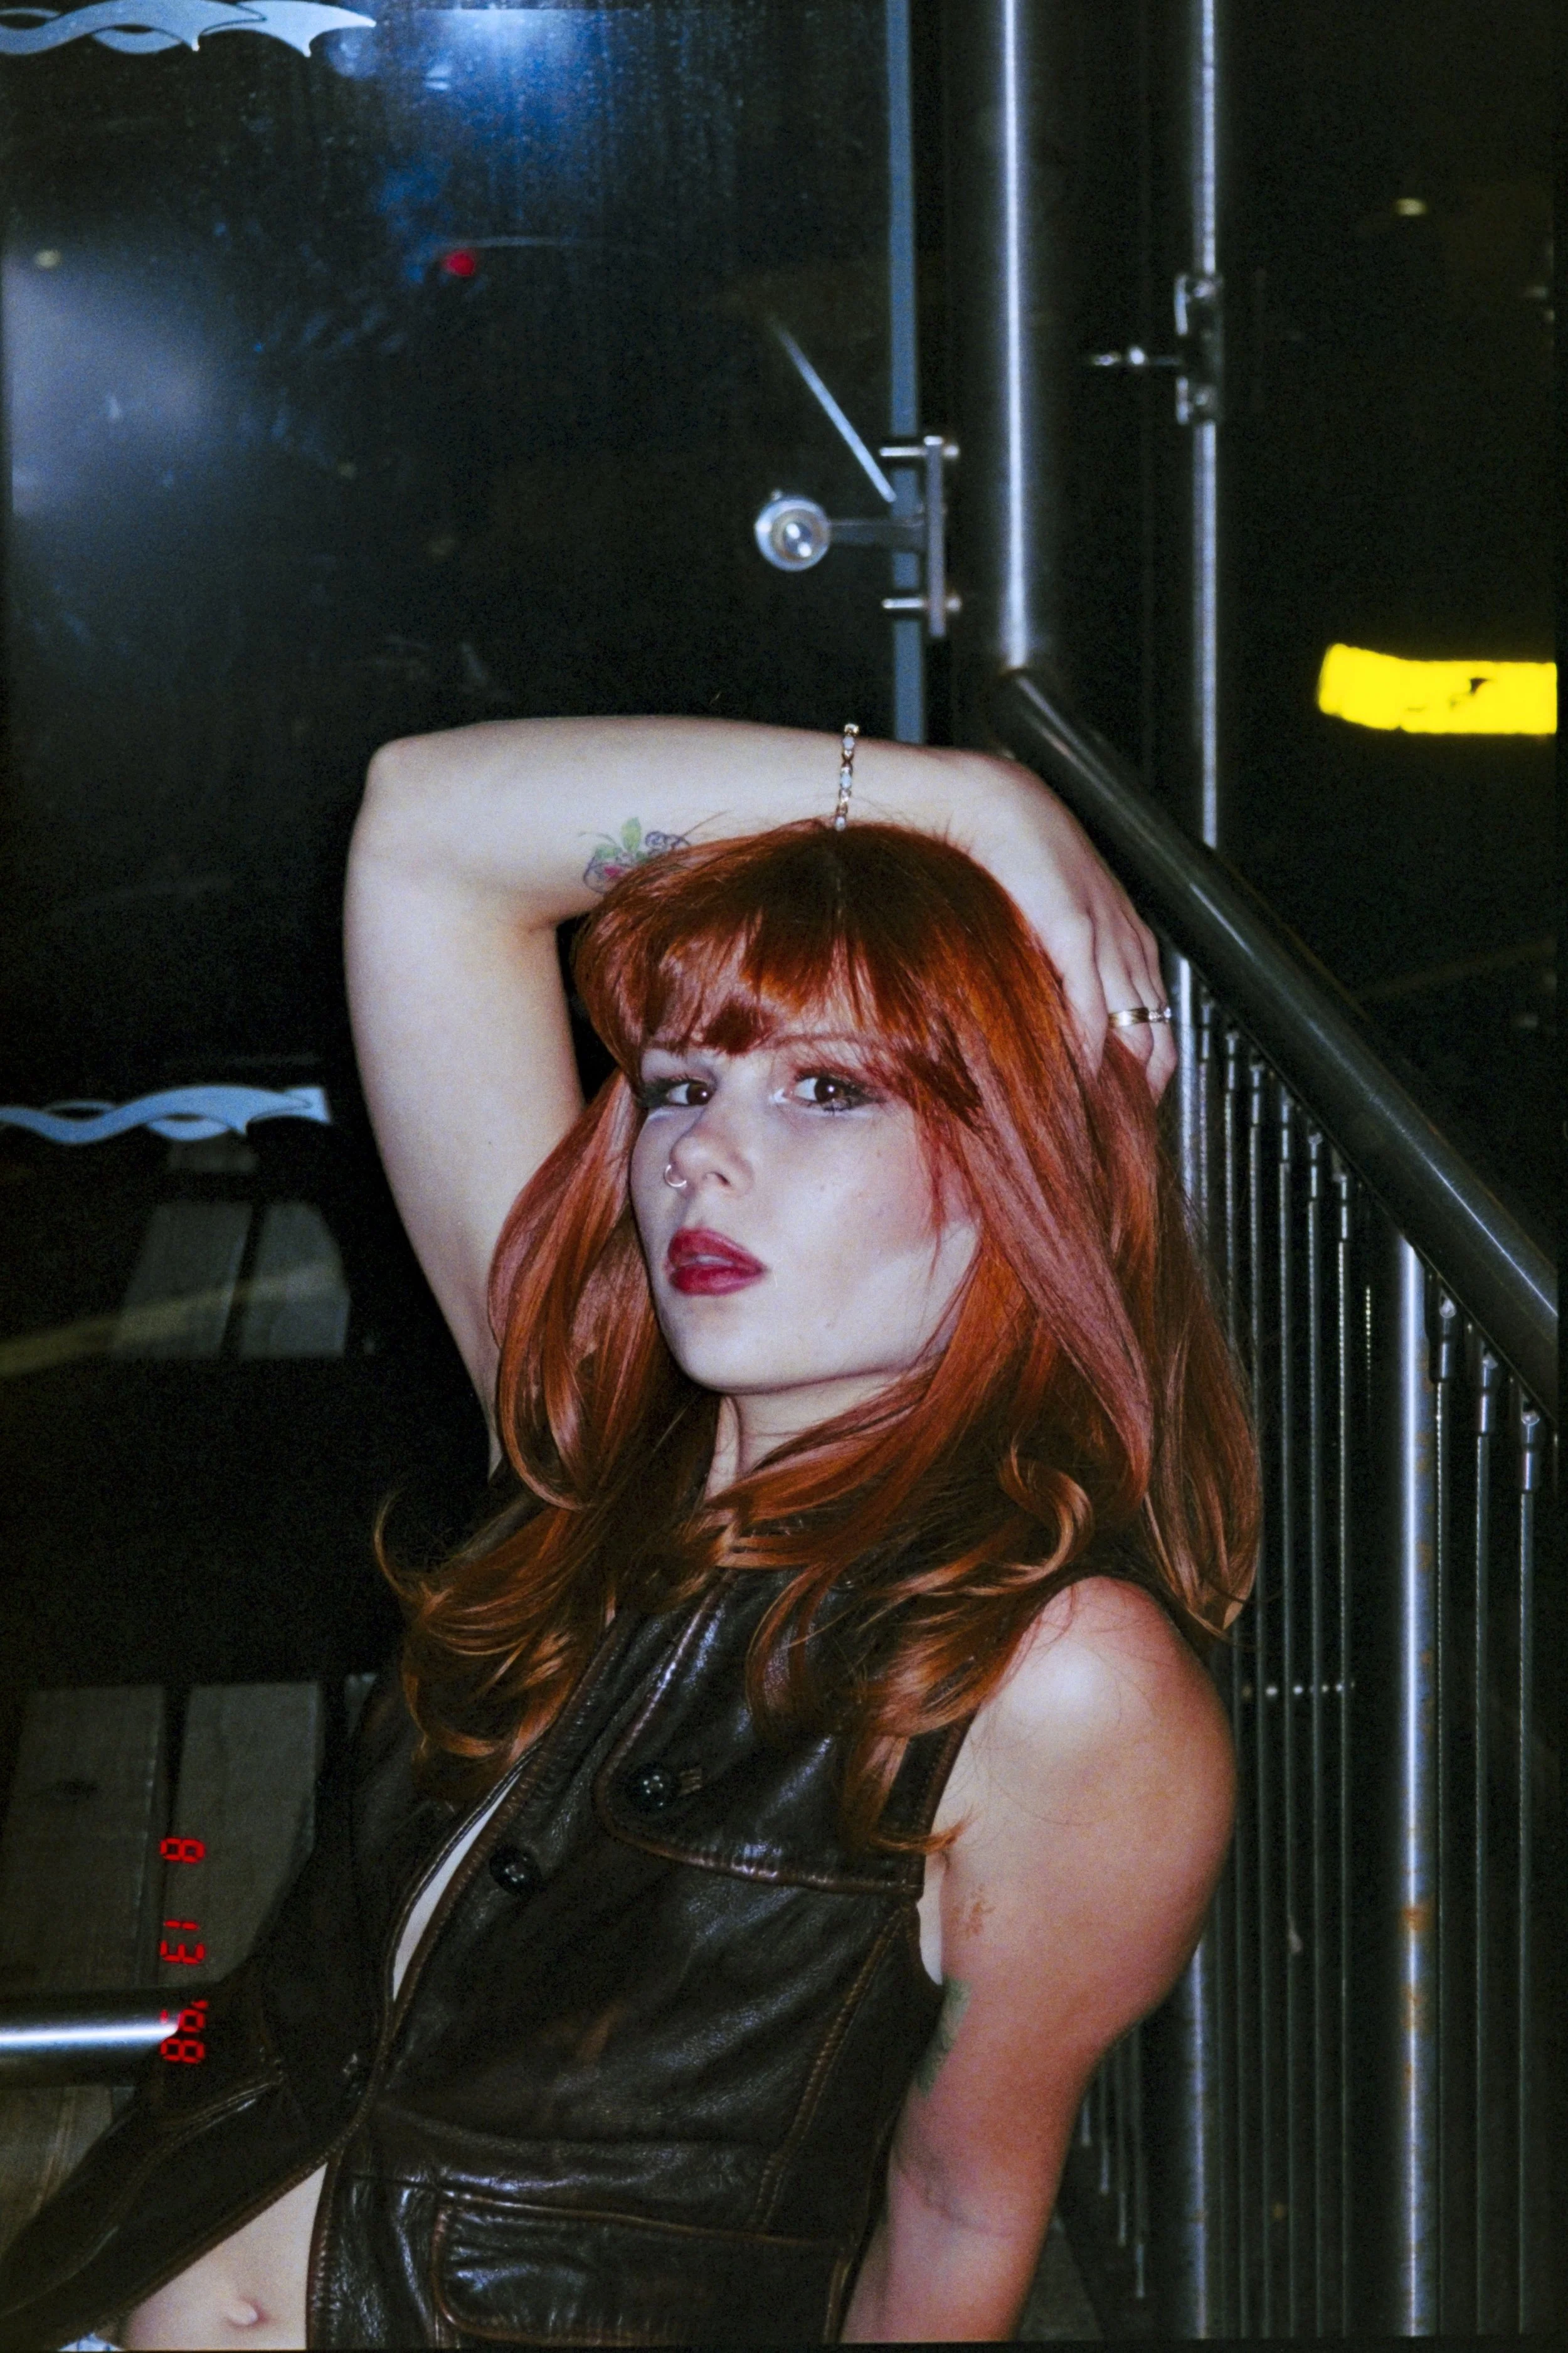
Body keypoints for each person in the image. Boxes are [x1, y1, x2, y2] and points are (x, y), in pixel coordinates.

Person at [4, 718, 1256, 2350]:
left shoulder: (1057, 1675)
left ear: (1016, 1163)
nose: (699, 1152)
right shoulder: (594, 1454)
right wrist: (971, 799)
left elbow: (954, 2210)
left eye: (826, 1088)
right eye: (678, 1081)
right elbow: (426, 821)